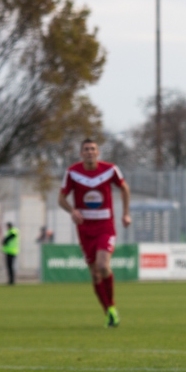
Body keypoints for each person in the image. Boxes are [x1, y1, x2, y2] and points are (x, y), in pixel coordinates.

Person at [58, 139, 131, 328]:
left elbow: (124, 188)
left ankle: (112, 305)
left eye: (92, 149)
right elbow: (61, 198)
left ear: (98, 153)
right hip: (84, 228)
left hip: (105, 225)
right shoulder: (72, 172)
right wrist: (72, 211)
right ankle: (109, 311)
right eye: (86, 149)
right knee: (94, 274)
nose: (89, 152)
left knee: (102, 265)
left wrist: (125, 213)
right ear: (81, 153)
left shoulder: (110, 169)